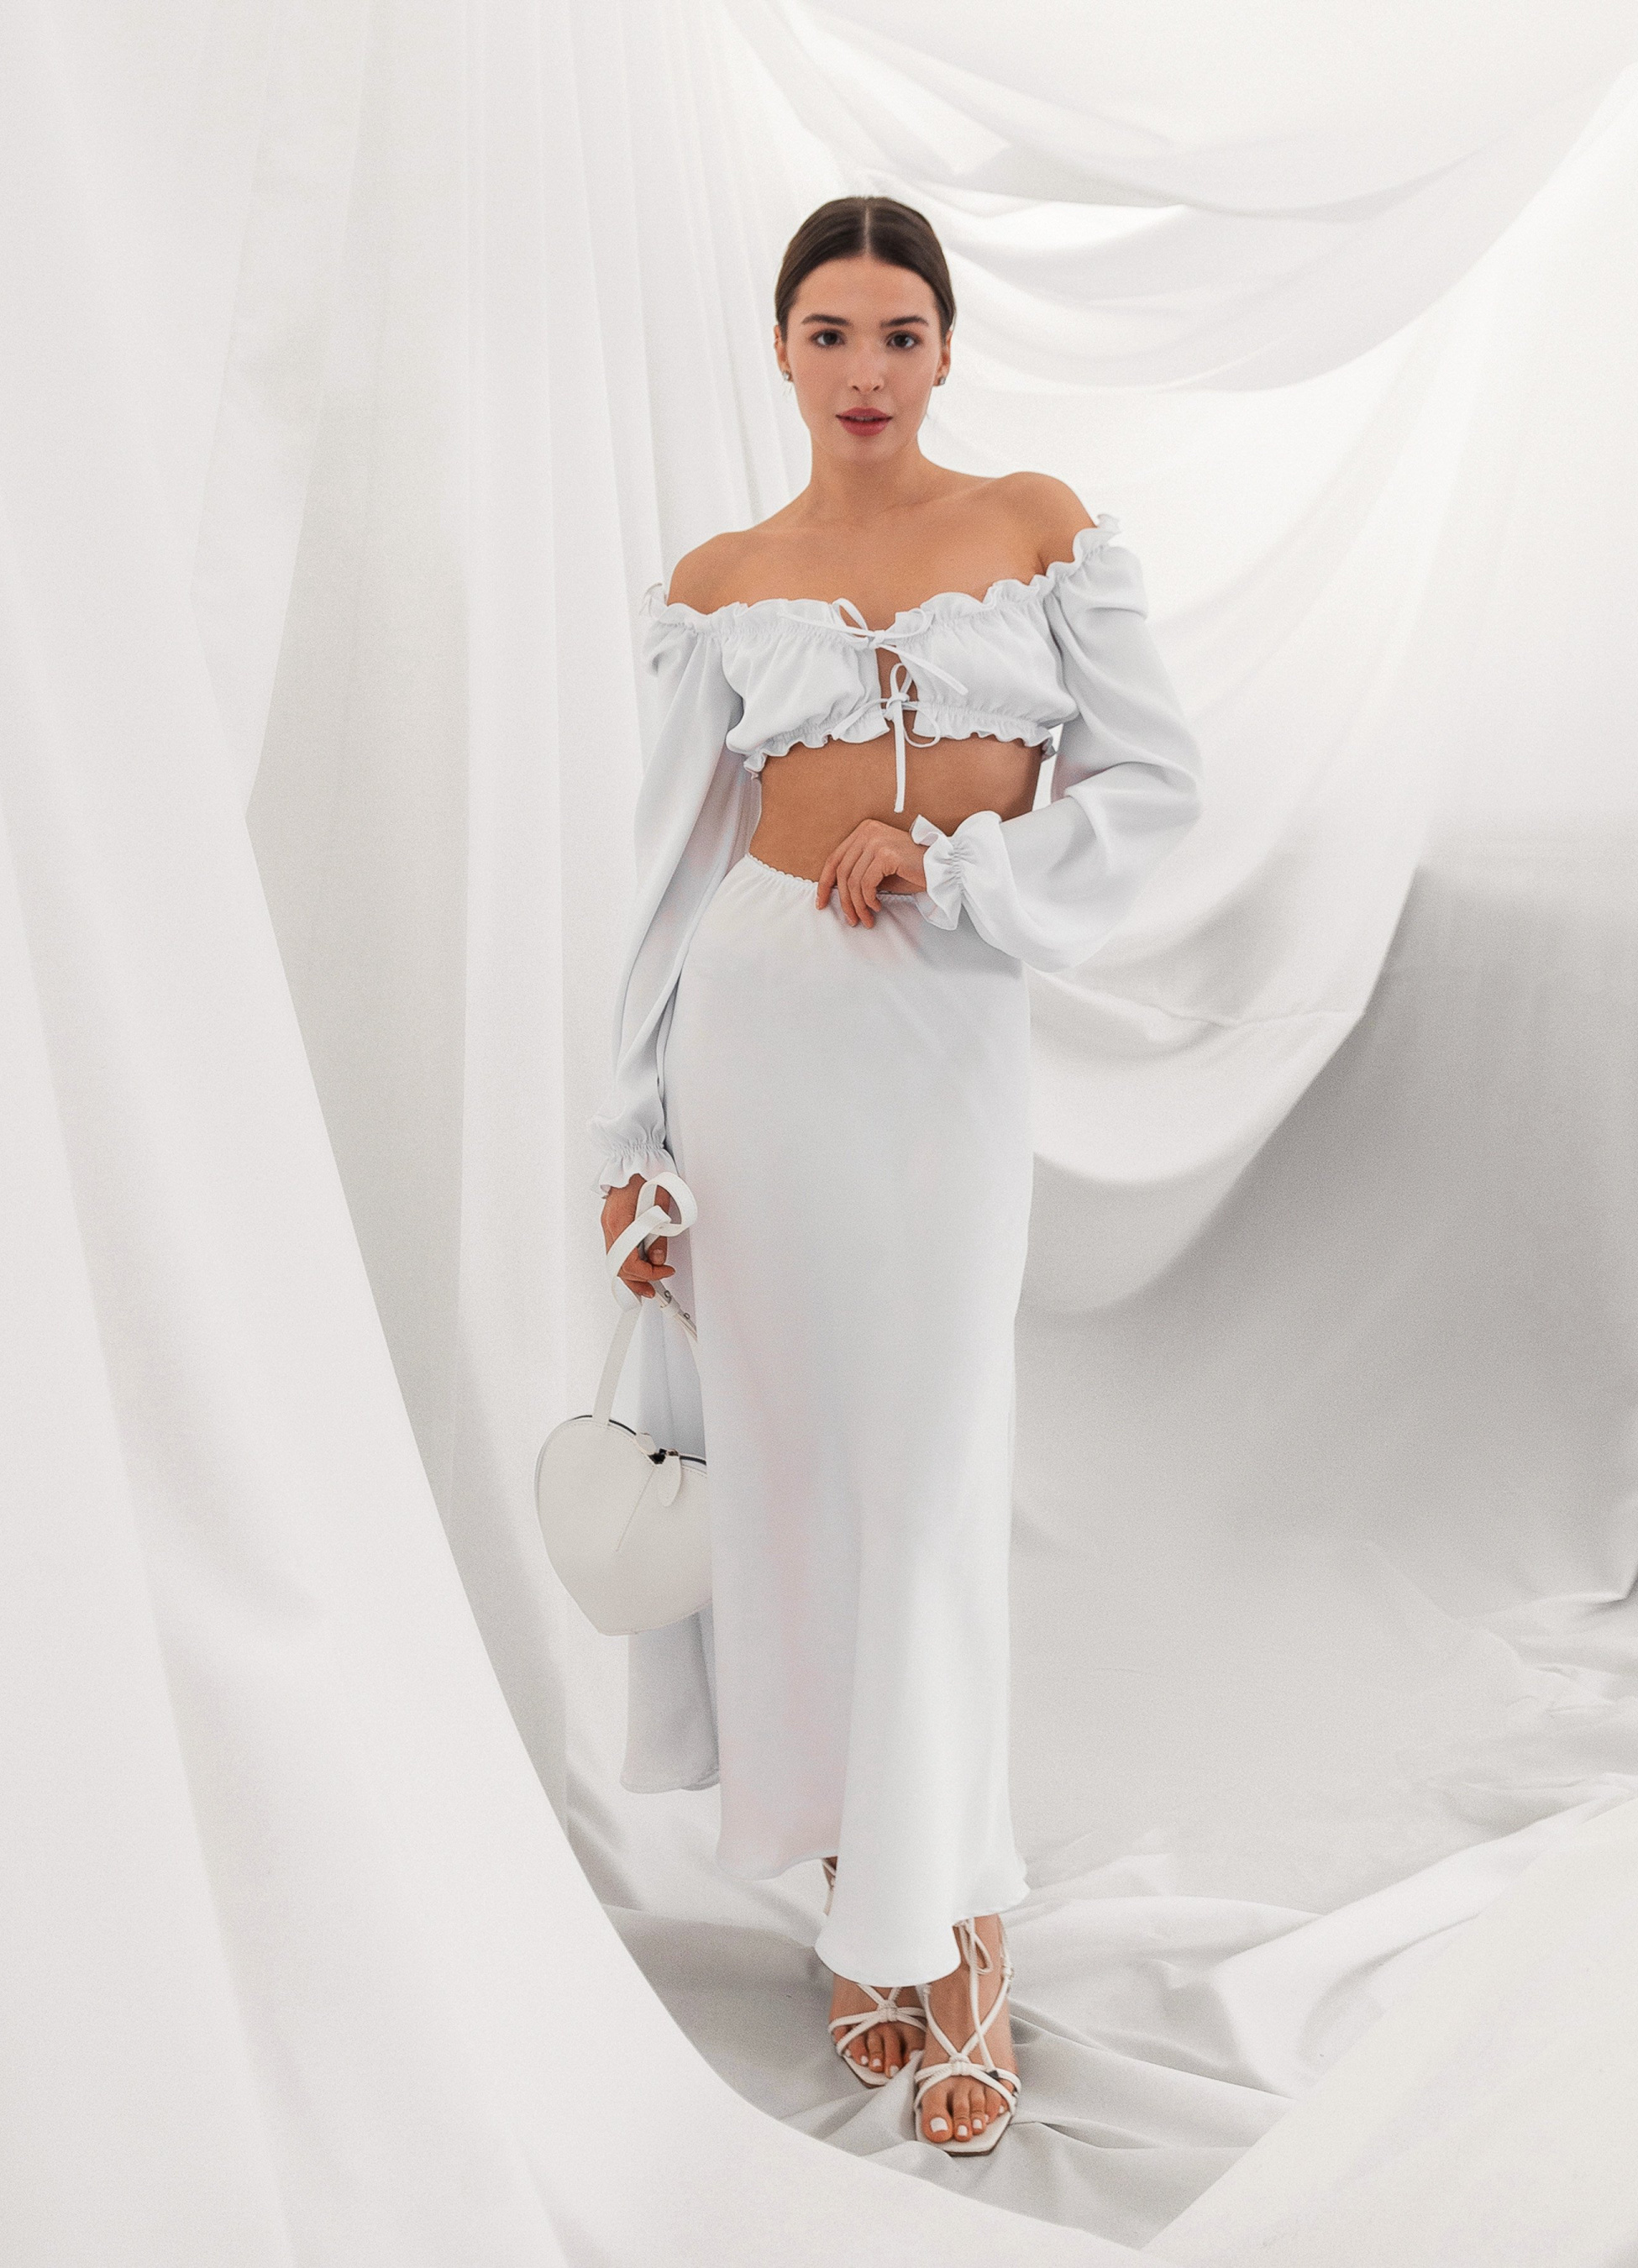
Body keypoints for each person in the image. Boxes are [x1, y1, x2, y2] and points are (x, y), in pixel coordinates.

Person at [589, 194, 1202, 2156]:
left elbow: (1152, 783)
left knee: (925, 1476)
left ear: (945, 350)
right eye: (829, 334)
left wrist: (961, 870)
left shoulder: (1033, 526)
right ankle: (860, 1904)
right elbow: (666, 873)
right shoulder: (723, 582)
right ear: (780, 349)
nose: (864, 372)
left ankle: (962, 1941)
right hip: (754, 1040)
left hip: (940, 1028)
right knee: (791, 1474)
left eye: (899, 335)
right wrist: (629, 1143)